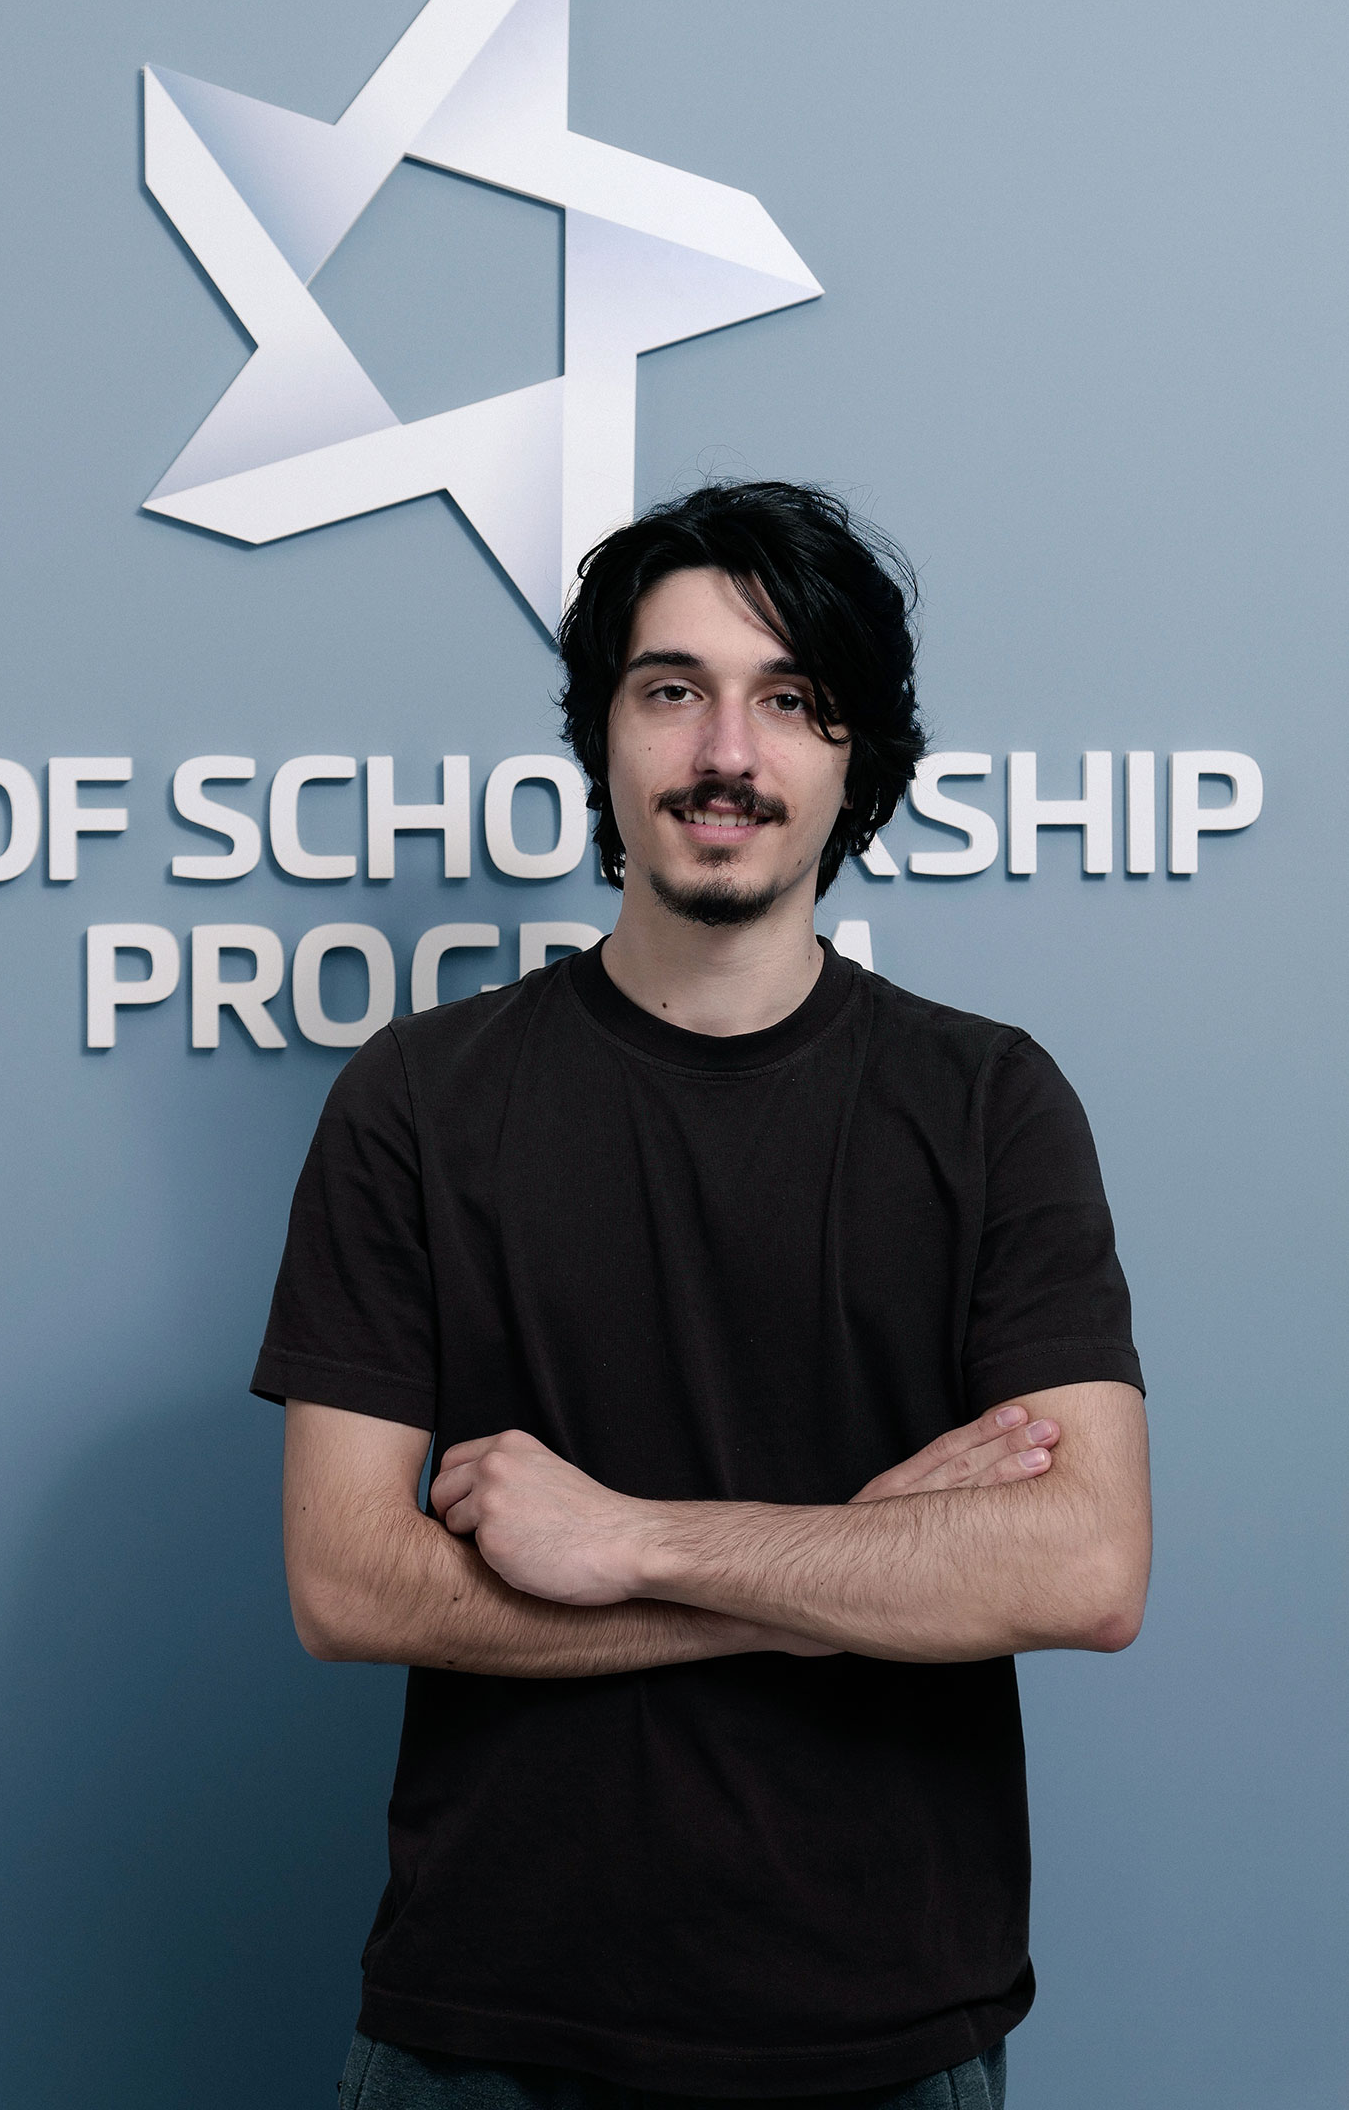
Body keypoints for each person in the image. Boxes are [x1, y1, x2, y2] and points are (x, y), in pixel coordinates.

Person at [252, 480, 1150, 2110]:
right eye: (673, 689)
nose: (727, 750)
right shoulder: (418, 1099)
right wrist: (835, 1575)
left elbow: (1085, 1564)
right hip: (484, 2034)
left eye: (790, 699)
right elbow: (348, 1583)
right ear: (603, 736)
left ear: (858, 757)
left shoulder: (991, 1106)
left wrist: (634, 1539)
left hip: (888, 2037)